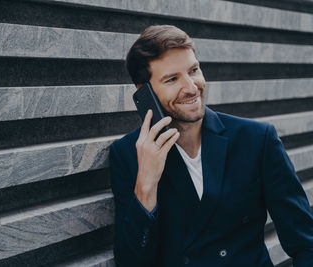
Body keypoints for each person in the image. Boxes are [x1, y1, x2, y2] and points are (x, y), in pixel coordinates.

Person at [109, 25, 313, 266]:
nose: (192, 87)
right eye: (172, 79)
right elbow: (130, 262)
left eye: (193, 70)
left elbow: (306, 243)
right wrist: (146, 184)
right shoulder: (128, 154)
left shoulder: (256, 139)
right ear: (144, 93)